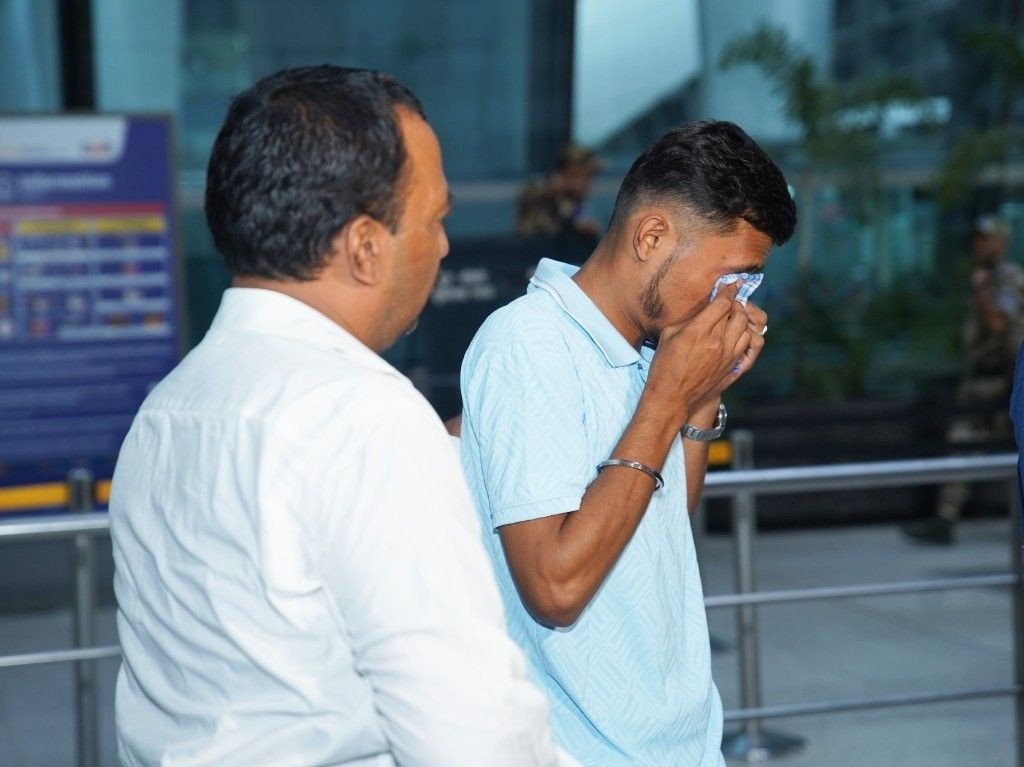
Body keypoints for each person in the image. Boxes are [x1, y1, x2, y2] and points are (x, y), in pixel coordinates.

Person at [110, 66, 573, 767]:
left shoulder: (166, 412)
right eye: (435, 219)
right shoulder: (362, 415)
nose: (444, 245)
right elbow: (470, 730)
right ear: (364, 246)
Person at [459, 121, 796, 765]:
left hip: (679, 743)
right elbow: (555, 588)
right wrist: (667, 397)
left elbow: (658, 528)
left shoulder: (649, 350)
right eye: (732, 277)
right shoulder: (529, 342)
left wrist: (702, 395)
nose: (735, 301)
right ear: (651, 236)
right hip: (587, 750)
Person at [905, 214, 1024, 545]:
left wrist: (982, 290)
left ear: (1002, 242)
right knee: (963, 445)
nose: (979, 246)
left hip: (1004, 383)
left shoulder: (1007, 278)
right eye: (977, 240)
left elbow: (999, 325)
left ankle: (946, 518)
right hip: (983, 383)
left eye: (986, 239)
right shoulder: (985, 277)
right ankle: (945, 518)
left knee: (975, 444)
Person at [517, 143, 603, 251]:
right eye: (582, 175)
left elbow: (586, 224)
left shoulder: (574, 200)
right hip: (533, 252)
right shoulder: (542, 191)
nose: (586, 184)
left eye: (589, 177)